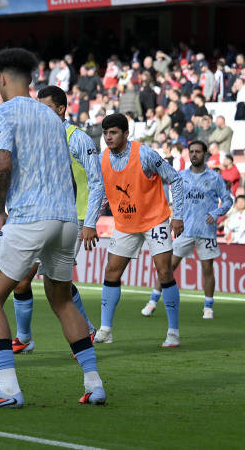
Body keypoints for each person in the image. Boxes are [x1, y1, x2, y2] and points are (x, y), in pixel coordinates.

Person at [0, 49, 105, 408]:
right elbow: (69, 174)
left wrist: (0, 210)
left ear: (1, 79)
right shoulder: (53, 117)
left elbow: (3, 162)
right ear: (30, 79)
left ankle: (9, 389)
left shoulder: (4, 111)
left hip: (30, 216)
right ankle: (94, 383)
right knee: (62, 301)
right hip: (66, 219)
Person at [0, 85, 106, 355]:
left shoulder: (77, 139)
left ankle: (86, 330)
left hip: (73, 219)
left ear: (60, 109)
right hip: (41, 216)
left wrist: (90, 222)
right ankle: (24, 338)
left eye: (45, 108)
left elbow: (97, 182)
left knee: (57, 286)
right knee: (22, 279)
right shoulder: (38, 138)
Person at [95, 113, 185, 348]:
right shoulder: (102, 159)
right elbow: (102, 194)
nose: (108, 137)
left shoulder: (144, 154)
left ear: (126, 133)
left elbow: (175, 179)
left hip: (154, 220)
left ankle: (173, 332)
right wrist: (90, 221)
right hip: (125, 223)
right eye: (105, 133)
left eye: (113, 132)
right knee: (111, 272)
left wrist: (178, 215)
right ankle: (105, 330)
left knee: (164, 272)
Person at [142, 141, 232, 320]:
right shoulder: (180, 176)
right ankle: (152, 301)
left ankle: (208, 307)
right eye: (191, 152)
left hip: (206, 231)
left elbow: (228, 200)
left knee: (207, 269)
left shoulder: (215, 178)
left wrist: (216, 213)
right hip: (184, 229)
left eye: (198, 151)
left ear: (205, 154)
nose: (194, 155)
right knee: (168, 266)